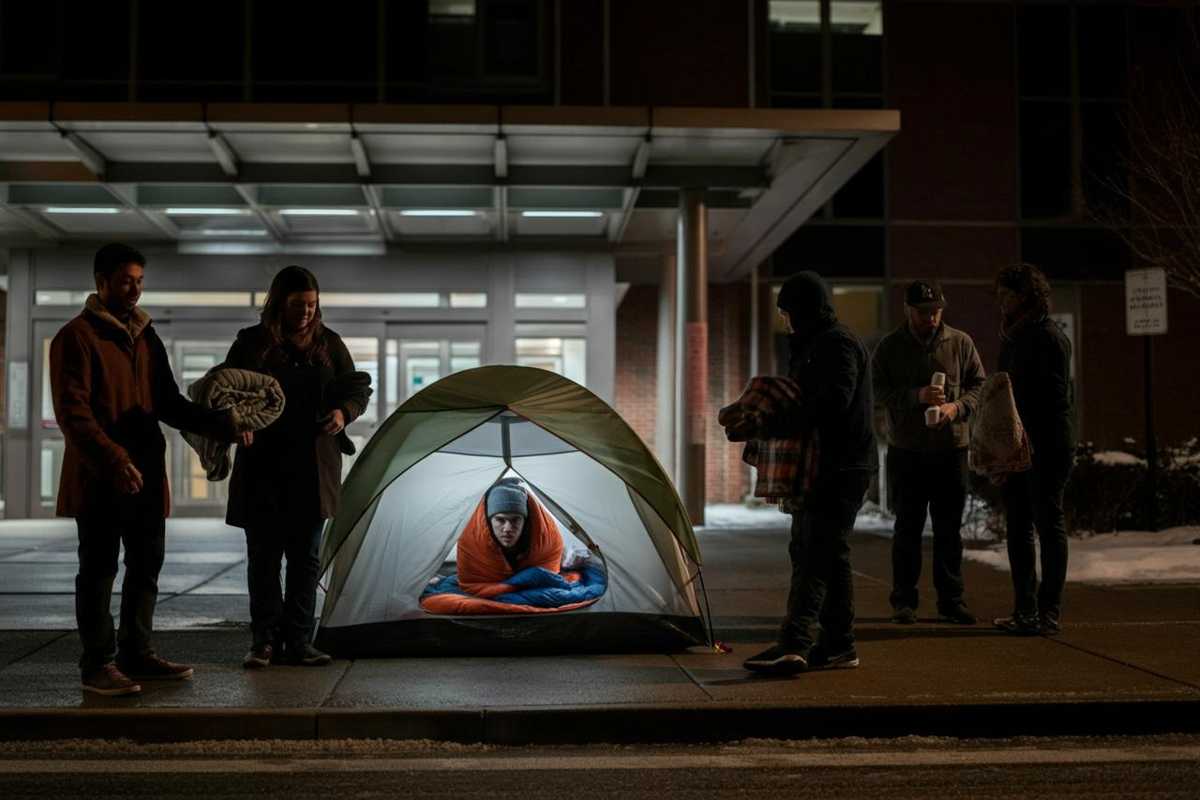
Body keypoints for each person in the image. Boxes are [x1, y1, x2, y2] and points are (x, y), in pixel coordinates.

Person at [51, 243, 235, 696]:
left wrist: (223, 424)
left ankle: (138, 653)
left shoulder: (145, 336)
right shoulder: (75, 337)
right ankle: (97, 664)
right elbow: (74, 415)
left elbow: (168, 401)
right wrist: (115, 459)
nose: (134, 289)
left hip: (146, 475)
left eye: (139, 280)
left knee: (146, 566)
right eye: (125, 280)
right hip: (100, 477)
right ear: (101, 282)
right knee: (97, 571)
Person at [224, 266, 372, 668]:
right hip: (263, 464)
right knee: (265, 557)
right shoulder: (252, 344)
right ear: (277, 303)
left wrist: (344, 412)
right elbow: (225, 391)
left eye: (312, 305)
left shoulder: (329, 344)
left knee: (306, 559)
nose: (306, 313)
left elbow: (357, 388)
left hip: (313, 466)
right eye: (297, 305)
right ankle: (264, 642)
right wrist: (237, 422)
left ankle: (300, 641)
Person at [742, 271, 877, 675]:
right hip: (831, 463)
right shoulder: (818, 343)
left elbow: (832, 402)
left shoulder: (835, 344)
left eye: (787, 312)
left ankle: (795, 643)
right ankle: (838, 645)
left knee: (813, 551)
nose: (785, 321)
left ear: (801, 310)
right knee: (823, 554)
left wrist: (773, 419)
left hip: (839, 466)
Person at [872, 281, 986, 626]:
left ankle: (951, 600)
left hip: (951, 448)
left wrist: (957, 409)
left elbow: (979, 385)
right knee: (907, 527)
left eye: (936, 311)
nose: (931, 317)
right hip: (907, 450)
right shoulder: (891, 347)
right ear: (908, 310)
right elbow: (878, 391)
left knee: (949, 529)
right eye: (923, 312)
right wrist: (916, 396)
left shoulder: (960, 342)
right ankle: (904, 601)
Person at [991, 263, 1075, 636]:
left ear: (1025, 296)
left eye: (1007, 295)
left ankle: (1048, 610)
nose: (1001, 303)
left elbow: (1055, 400)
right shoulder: (1013, 337)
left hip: (1045, 443)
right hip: (1018, 444)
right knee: (1020, 526)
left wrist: (1021, 435)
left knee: (1047, 522)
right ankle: (1025, 609)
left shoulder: (1047, 338)